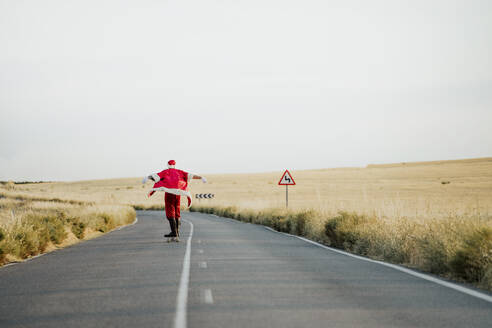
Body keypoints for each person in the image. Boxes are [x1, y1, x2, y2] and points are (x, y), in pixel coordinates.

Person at [142, 160, 206, 241]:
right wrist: (201, 178)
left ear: (167, 165)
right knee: (177, 212)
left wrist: (147, 177)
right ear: (175, 165)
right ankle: (177, 234)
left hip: (169, 193)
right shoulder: (180, 172)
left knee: (170, 212)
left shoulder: (166, 172)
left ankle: (174, 232)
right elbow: (191, 175)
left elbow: (155, 177)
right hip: (178, 193)